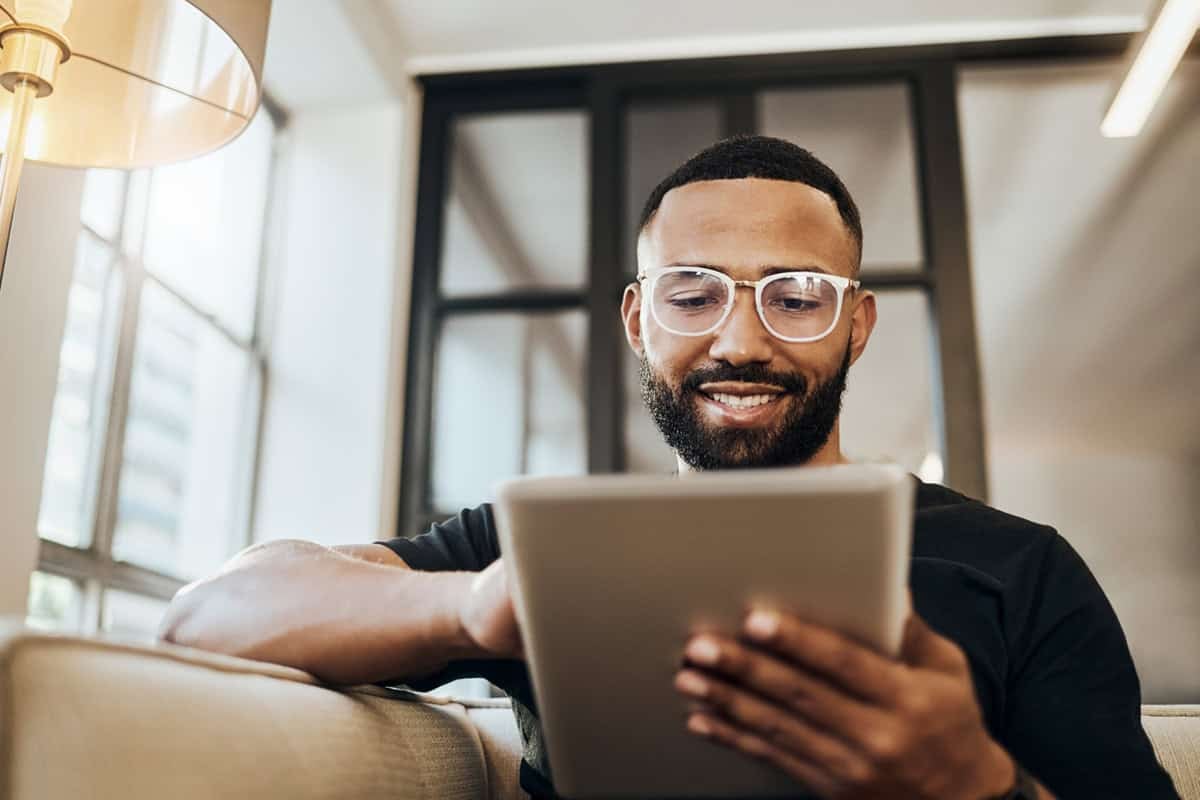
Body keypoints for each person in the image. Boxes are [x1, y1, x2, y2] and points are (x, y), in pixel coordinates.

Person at [159, 136, 1179, 799]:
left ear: (856, 326)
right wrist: (480, 606)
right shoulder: (540, 549)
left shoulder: (1022, 568)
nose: (742, 339)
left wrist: (973, 782)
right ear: (640, 320)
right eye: (693, 294)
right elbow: (210, 615)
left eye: (796, 295)